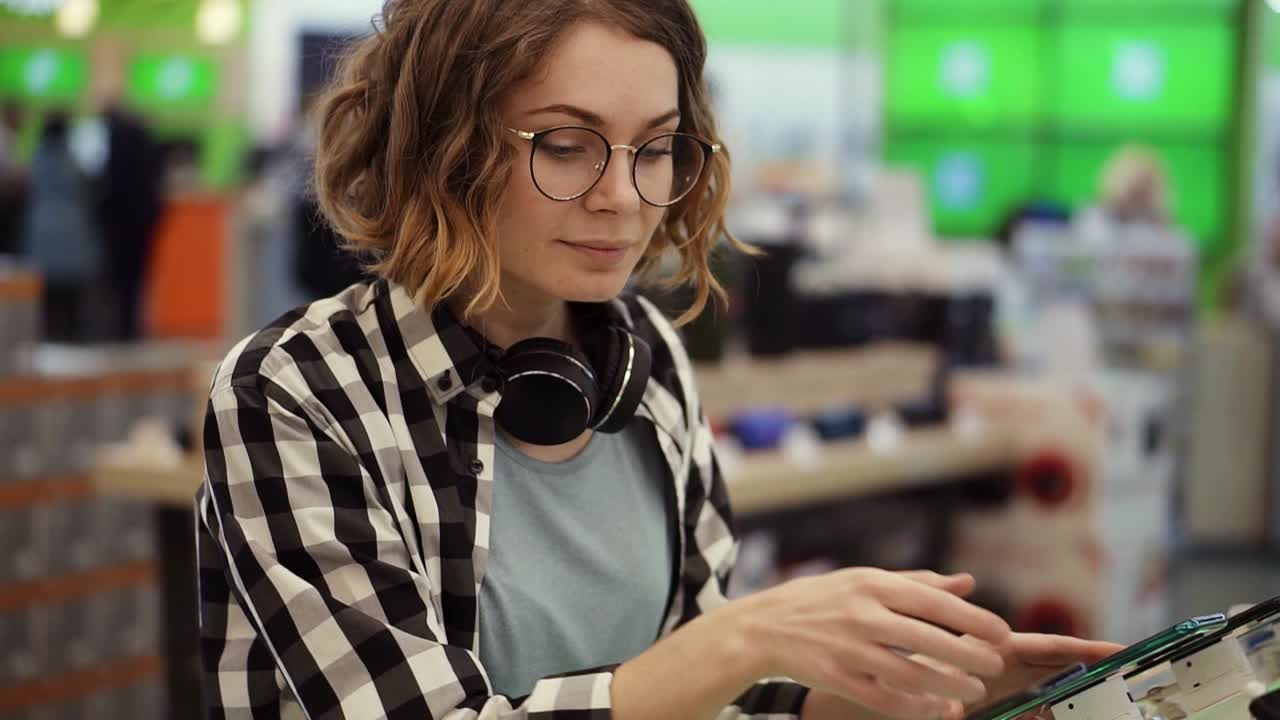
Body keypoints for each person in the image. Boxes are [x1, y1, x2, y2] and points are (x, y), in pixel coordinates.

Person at [194, 2, 1121, 719]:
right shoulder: (295, 394)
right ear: (445, 147)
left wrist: (921, 692)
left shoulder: (650, 362)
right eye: (565, 145)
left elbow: (721, 698)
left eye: (656, 149)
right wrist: (752, 635)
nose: (623, 199)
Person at [21, 112, 100, 342]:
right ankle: (70, 335)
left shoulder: (36, 158)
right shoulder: (73, 161)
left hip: (42, 229)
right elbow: (88, 189)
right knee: (71, 294)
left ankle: (46, 336)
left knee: (45, 294)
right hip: (73, 229)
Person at [97, 104, 164, 340]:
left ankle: (122, 329)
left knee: (121, 280)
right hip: (141, 224)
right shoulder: (142, 145)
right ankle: (130, 328)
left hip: (122, 225)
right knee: (136, 281)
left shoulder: (118, 143)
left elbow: (112, 188)